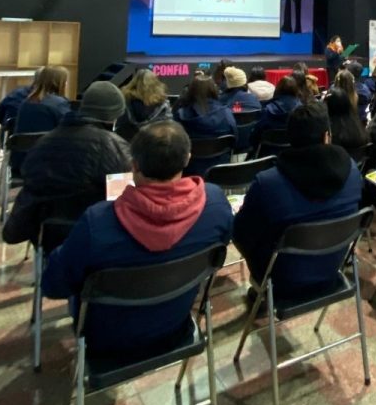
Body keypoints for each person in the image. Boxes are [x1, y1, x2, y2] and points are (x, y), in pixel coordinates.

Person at [41, 121, 234, 360]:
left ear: (134, 165)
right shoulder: (215, 204)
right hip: (177, 324)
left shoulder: (97, 222)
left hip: (104, 342)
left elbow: (53, 285)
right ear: (187, 159)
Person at [234, 102, 361, 302]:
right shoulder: (353, 171)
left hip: (280, 281)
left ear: (289, 138)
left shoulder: (267, 183)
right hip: (332, 269)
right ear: (327, 136)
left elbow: (240, 235)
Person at [3, 82, 132, 245]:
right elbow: (122, 197)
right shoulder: (116, 147)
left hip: (47, 237)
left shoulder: (42, 143)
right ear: (114, 115)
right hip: (94, 237)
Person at [12, 66, 71, 173]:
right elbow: (70, 129)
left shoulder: (25, 103)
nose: (66, 84)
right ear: (58, 83)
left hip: (22, 162)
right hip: (50, 164)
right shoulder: (59, 104)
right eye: (66, 81)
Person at [174, 76, 237, 174]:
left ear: (191, 90)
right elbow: (235, 140)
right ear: (214, 89)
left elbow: (175, 146)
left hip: (189, 170)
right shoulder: (226, 113)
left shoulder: (180, 115)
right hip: (221, 169)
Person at [252, 76, 303, 147]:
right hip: (295, 153)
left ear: (278, 89)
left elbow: (255, 135)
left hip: (267, 154)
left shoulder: (266, 110)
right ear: (296, 90)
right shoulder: (302, 110)